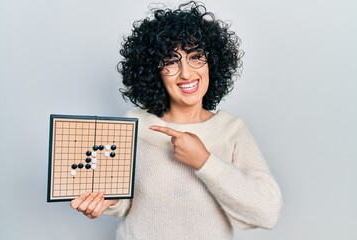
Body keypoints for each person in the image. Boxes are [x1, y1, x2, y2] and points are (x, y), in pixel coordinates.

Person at [70, 1, 282, 239]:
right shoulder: (135, 125)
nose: (186, 73)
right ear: (154, 71)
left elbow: (267, 212)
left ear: (212, 62)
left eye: (195, 56)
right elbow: (124, 204)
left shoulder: (232, 130)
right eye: (171, 61)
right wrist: (107, 201)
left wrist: (205, 162)